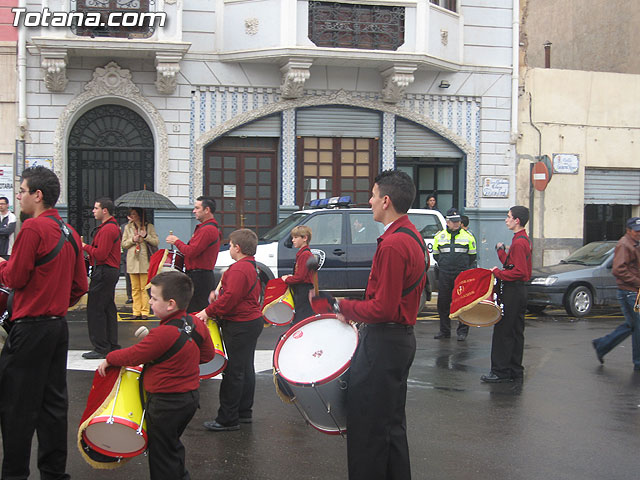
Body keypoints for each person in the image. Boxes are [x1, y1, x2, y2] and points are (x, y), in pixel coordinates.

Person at [335, 170, 427, 480]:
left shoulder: (392, 245)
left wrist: (344, 307)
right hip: (398, 341)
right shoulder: (411, 235)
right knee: (390, 429)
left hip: (384, 343)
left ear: (386, 201)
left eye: (374, 195)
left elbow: (383, 307)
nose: (370, 201)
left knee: (368, 430)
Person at [0, 166, 88, 479]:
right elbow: (80, 285)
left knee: (17, 407)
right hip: (57, 327)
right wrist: (54, 301)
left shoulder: (32, 229)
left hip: (30, 329)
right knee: (53, 404)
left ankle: (14, 474)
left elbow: (15, 277)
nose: (19, 196)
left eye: (22, 191)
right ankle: (53, 472)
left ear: (38, 196)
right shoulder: (70, 232)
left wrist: (3, 267)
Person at [97, 271, 214, 480]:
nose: (150, 302)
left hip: (165, 403)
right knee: (171, 446)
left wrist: (109, 358)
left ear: (170, 304)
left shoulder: (162, 334)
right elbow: (207, 355)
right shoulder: (195, 323)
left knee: (161, 455)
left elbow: (133, 355)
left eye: (153, 298)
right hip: (189, 399)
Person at [196, 228, 263, 431]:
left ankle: (228, 418)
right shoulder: (250, 267)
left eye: (232, 245)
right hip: (250, 321)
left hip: (240, 324)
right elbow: (234, 295)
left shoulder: (238, 269)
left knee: (234, 373)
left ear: (238, 248)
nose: (230, 248)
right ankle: (243, 412)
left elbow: (231, 299)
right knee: (244, 369)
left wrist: (208, 311)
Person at [481, 206, 532, 383]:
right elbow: (513, 265)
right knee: (516, 331)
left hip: (513, 290)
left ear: (517, 220)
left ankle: (500, 371)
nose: (506, 219)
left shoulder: (519, 243)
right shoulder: (523, 239)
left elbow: (518, 272)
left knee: (503, 332)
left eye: (508, 217)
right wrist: (501, 252)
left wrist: (497, 272)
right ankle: (515, 369)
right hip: (519, 290)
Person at [591, 217, 640, 369]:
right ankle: (638, 362)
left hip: (633, 291)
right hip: (629, 292)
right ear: (628, 230)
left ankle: (602, 345)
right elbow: (618, 269)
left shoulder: (634, 243)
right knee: (637, 326)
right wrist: (637, 282)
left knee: (633, 325)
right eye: (636, 231)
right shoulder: (625, 244)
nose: (639, 233)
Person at [82, 197, 122, 359]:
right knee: (107, 308)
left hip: (104, 271)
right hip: (108, 271)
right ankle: (111, 344)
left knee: (96, 309)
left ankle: (101, 346)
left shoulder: (107, 229)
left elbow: (101, 254)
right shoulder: (109, 227)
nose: (93, 211)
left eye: (96, 208)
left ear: (105, 210)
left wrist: (84, 246)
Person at [166, 196, 220, 312]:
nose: (194, 211)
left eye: (197, 208)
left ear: (207, 210)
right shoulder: (204, 228)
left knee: (196, 311)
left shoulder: (208, 230)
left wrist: (176, 241)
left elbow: (191, 251)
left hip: (200, 277)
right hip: (197, 275)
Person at [433, 208, 477, 341]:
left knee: (463, 303)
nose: (456, 223)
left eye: (457, 221)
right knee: (443, 303)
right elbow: (436, 255)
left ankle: (462, 332)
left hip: (461, 274)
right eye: (453, 221)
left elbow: (472, 256)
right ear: (447, 222)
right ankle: (444, 331)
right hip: (445, 273)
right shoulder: (439, 236)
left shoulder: (468, 237)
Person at [122, 207, 159, 319]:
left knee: (144, 287)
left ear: (139, 215)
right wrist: (133, 239)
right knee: (135, 288)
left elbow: (156, 241)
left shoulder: (149, 226)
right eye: (131, 214)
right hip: (132, 260)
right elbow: (123, 244)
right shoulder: (128, 227)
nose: (132, 216)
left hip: (144, 260)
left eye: (134, 214)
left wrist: (145, 236)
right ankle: (136, 311)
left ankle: (144, 312)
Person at [282, 225, 315, 324]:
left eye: (296, 237)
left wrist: (287, 279)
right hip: (303, 289)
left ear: (305, 238)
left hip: (303, 290)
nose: (293, 240)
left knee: (302, 317)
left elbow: (300, 277)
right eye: (293, 237)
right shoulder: (303, 254)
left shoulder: (305, 255)